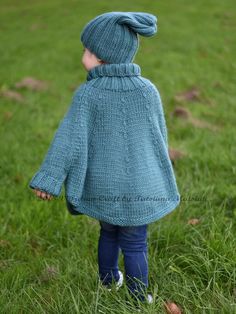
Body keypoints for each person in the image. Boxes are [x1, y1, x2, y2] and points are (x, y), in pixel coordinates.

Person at [29, 11, 181, 305]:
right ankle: (138, 299)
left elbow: (67, 140)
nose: (83, 56)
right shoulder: (148, 91)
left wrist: (49, 179)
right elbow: (159, 138)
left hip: (104, 186)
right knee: (136, 243)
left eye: (86, 51)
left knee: (108, 232)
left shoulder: (88, 94)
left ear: (101, 57)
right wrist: (160, 175)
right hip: (140, 188)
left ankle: (109, 280)